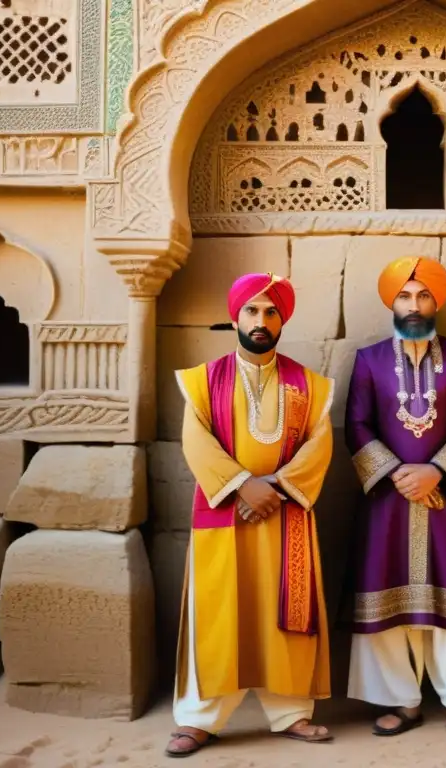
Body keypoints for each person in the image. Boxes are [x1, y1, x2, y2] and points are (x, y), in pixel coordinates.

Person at [165, 273, 336, 758]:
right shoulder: (203, 381)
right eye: (252, 311)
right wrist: (243, 485)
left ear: (282, 320)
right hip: (226, 514)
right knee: (218, 614)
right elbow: (194, 441)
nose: (261, 321)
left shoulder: (311, 386)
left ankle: (290, 714)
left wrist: (274, 488)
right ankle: (200, 720)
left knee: (285, 613)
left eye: (271, 312)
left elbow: (319, 447)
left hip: (285, 515)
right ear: (235, 316)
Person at [344, 256, 446, 743]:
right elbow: (356, 425)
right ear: (391, 302)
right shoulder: (369, 360)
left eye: (424, 295)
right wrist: (397, 474)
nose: (414, 305)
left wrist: (436, 472)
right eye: (405, 296)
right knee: (386, 595)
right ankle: (399, 700)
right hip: (388, 500)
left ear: (437, 301)